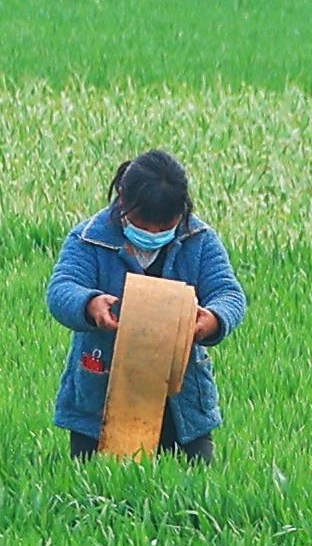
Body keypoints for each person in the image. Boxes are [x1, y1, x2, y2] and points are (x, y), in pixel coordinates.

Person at [48, 151, 246, 464]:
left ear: (181, 211)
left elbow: (229, 294)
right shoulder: (90, 238)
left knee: (189, 488)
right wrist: (90, 304)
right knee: (96, 486)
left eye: (163, 227)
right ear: (122, 200)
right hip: (102, 391)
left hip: (179, 399)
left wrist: (212, 319)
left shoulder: (199, 240)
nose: (152, 234)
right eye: (143, 225)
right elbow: (61, 290)